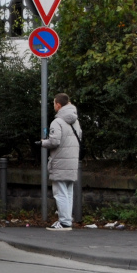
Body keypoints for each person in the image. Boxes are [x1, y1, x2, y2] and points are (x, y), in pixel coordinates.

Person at [41, 93, 81, 230]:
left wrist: (42, 143)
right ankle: (67, 220)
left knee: (59, 193)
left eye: (54, 104)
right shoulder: (75, 121)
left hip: (60, 162)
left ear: (58, 105)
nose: (53, 106)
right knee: (68, 192)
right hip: (72, 161)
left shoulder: (57, 122)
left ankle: (64, 222)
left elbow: (54, 141)